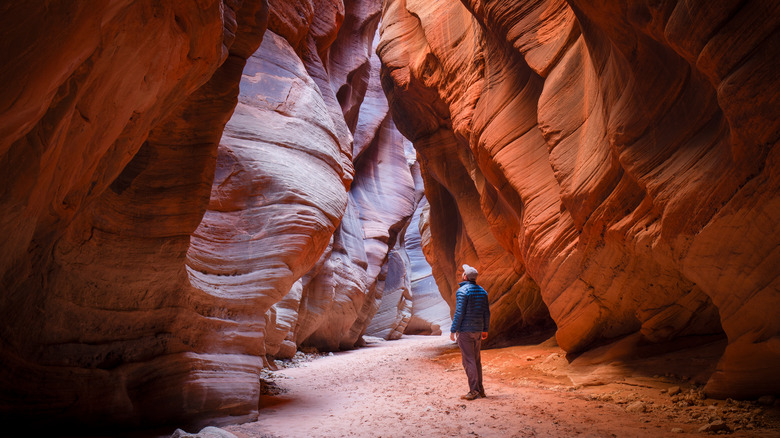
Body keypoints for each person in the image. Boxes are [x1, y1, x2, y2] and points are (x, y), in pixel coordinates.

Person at [449, 264, 490, 400]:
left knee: (469, 360)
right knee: (476, 360)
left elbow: (459, 313)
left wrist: (453, 330)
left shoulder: (462, 291)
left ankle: (474, 391)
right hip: (478, 330)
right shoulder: (483, 292)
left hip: (465, 331)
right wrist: (485, 329)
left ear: (465, 276)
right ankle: (481, 390)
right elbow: (486, 313)